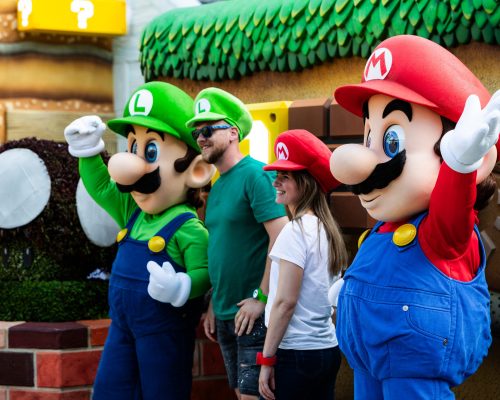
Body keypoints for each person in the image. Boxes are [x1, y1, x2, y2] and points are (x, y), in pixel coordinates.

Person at [328, 35, 500, 399]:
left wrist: (459, 166)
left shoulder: (442, 232)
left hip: (412, 364)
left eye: (392, 141)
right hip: (368, 357)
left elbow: (453, 209)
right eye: (369, 136)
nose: (363, 163)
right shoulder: (384, 227)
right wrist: (353, 288)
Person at [64, 81, 214, 400]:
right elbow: (101, 187)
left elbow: (205, 272)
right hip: (122, 327)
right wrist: (88, 150)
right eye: (133, 147)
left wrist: (182, 286)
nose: (131, 169)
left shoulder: (187, 227)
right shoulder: (132, 211)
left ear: (197, 170)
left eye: (151, 151)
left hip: (164, 330)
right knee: (111, 389)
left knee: (163, 390)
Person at [186, 87, 288, 400]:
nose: (201, 138)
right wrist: (214, 303)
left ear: (233, 133)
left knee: (254, 396)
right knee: (240, 393)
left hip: (253, 314)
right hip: (226, 313)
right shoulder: (217, 186)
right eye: (196, 133)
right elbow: (223, 247)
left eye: (207, 130)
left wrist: (261, 297)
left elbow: (282, 238)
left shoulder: (256, 175)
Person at [257, 129, 348, 400]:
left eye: (285, 176)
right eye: (277, 174)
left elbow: (285, 302)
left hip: (295, 355)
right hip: (326, 350)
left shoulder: (294, 230)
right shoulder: (327, 229)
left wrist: (267, 360)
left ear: (306, 183)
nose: (276, 182)